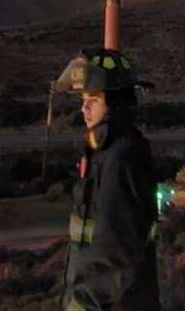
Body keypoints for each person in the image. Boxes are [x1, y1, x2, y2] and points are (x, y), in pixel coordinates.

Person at [55, 48, 161, 311]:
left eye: (94, 99)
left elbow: (118, 251)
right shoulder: (102, 153)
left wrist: (83, 305)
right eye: (83, 98)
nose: (84, 107)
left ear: (114, 104)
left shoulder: (121, 158)